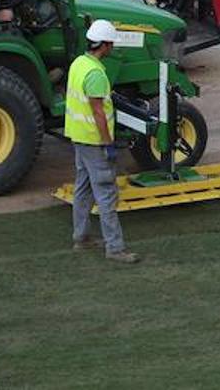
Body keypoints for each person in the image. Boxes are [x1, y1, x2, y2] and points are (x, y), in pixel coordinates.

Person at [65, 19, 140, 264]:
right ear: (105, 45)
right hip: (94, 141)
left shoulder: (79, 63)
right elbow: (98, 112)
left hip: (78, 137)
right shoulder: (96, 73)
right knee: (106, 193)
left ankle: (82, 237)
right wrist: (108, 143)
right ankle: (115, 248)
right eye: (111, 44)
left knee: (83, 188)